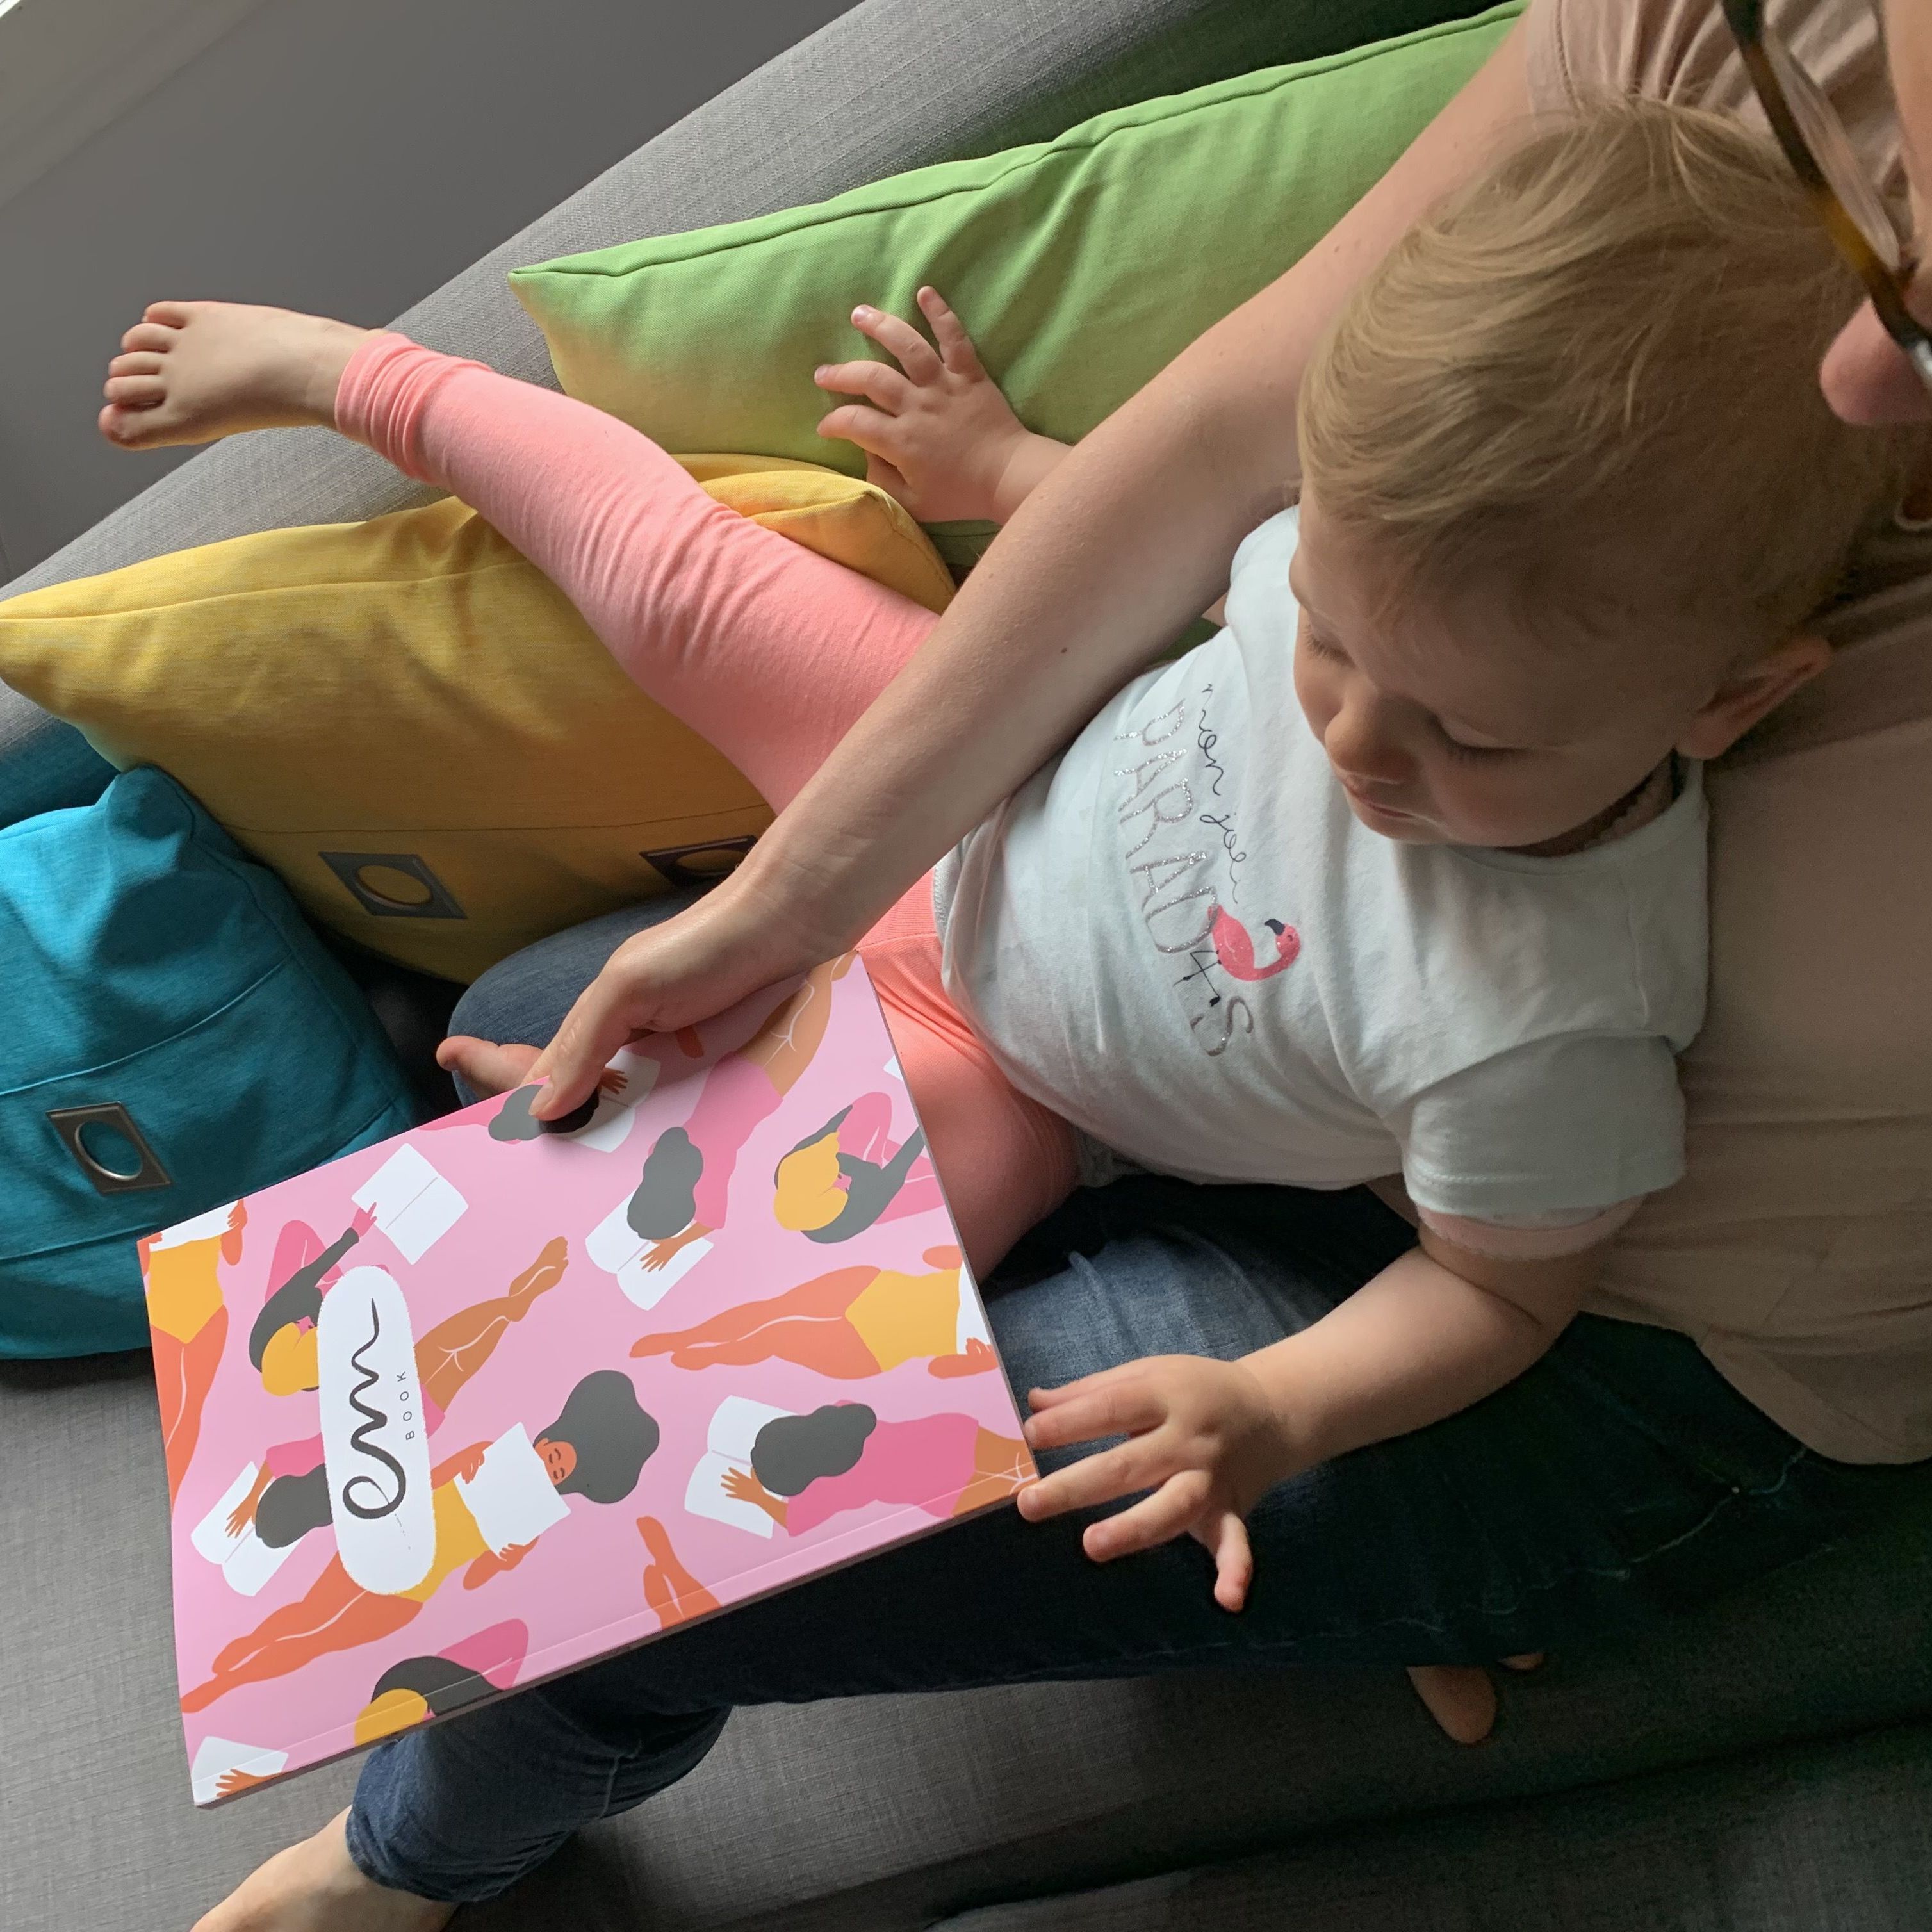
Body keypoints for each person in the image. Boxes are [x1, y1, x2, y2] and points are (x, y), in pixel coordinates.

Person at [86, 3, 1932, 1924]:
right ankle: (365, 377)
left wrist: (1283, 1411)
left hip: (1119, 1121)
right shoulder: (1380, 559)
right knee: (534, 1003)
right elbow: (1219, 555)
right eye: (1334, 641)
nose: (1359, 748)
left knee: (645, 1496)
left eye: (1472, 739)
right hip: (1014, 860)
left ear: (1733, 703)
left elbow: (1497, 1289)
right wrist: (1011, 473)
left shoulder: (1537, 1022)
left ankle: (405, 1865)